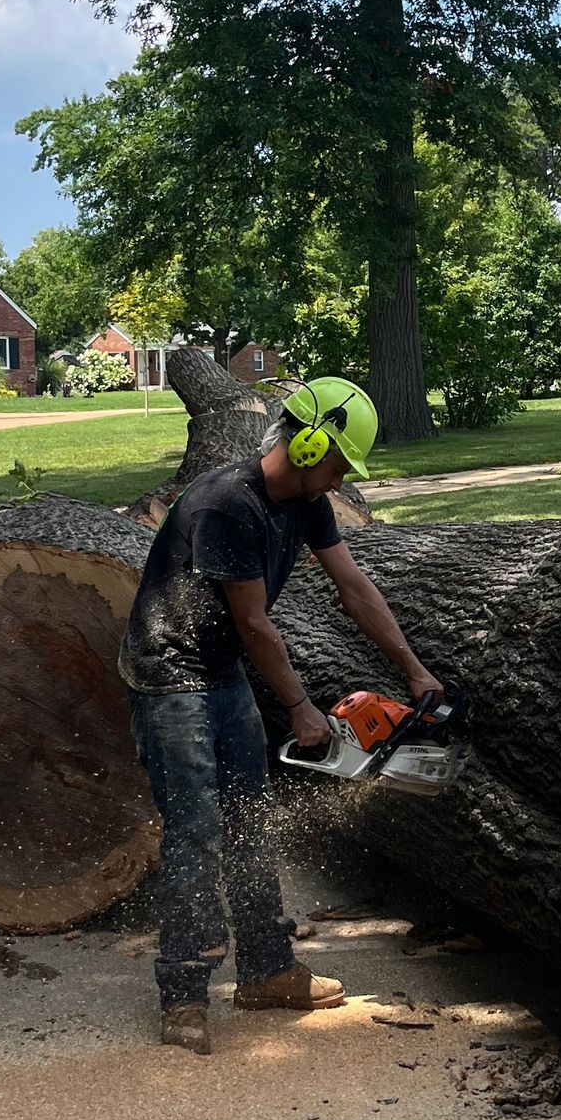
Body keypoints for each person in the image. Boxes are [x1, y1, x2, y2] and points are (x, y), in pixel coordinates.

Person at [118, 375, 442, 1053]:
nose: (342, 478)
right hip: (170, 671)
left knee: (247, 814)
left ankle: (267, 970)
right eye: (340, 464)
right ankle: (183, 995)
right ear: (309, 444)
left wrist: (412, 671)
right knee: (199, 830)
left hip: (221, 666)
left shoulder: (306, 500)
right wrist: (300, 707)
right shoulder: (227, 504)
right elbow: (256, 622)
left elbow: (353, 587)